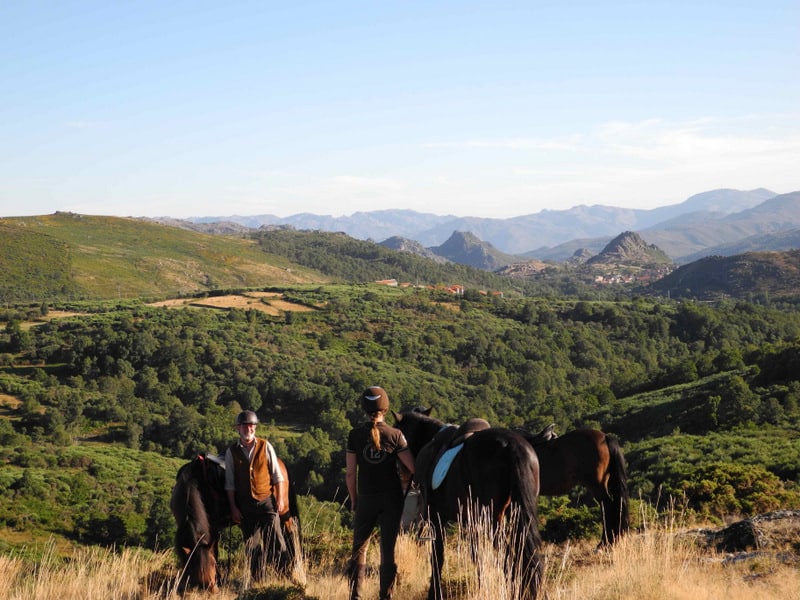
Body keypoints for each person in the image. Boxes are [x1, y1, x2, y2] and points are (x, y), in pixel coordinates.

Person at [346, 386, 416, 600]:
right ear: (385, 409)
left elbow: (350, 474)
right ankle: (386, 596)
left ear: (364, 408)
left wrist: (354, 499)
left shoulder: (355, 435)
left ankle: (355, 596)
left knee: (360, 548)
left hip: (367, 497)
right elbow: (412, 468)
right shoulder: (396, 435)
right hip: (392, 499)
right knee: (388, 549)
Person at [225, 409, 289, 580]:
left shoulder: (265, 446)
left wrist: (280, 499)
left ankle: (285, 577)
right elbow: (230, 484)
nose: (249, 429)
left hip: (266, 501)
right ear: (238, 428)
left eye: (252, 425)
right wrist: (233, 508)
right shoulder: (232, 452)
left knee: (275, 540)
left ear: (255, 427)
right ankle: (258, 582)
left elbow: (278, 476)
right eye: (245, 426)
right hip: (245, 506)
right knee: (251, 546)